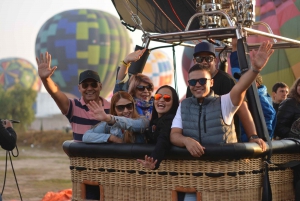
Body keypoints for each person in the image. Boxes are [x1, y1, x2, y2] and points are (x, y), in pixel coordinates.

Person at [170, 41, 273, 159]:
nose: (198, 85)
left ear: (211, 82)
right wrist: (186, 141)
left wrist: (255, 69)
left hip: (223, 162)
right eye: (193, 82)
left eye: (202, 81)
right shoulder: (184, 105)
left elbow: (240, 91)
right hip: (196, 167)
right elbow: (174, 135)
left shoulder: (223, 99)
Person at [186, 41, 257, 142]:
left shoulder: (226, 81)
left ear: (215, 60)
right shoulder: (191, 85)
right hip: (198, 146)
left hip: (225, 144)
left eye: (208, 58)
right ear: (194, 61)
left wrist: (253, 136)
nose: (204, 62)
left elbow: (243, 110)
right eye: (199, 59)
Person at [36, 52, 110, 141]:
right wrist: (46, 79)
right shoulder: (74, 106)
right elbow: (56, 93)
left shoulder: (111, 107)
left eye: (93, 84)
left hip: (104, 155)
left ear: (100, 87)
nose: (89, 88)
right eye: (85, 85)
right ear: (79, 88)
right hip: (80, 155)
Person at [137, 85, 179, 170]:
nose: (162, 100)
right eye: (158, 96)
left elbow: (163, 139)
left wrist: (154, 160)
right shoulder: (154, 121)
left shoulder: (170, 120)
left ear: (174, 103)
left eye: (167, 98)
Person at [82, 91, 149, 143]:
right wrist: (111, 138)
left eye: (129, 106)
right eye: (120, 107)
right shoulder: (109, 124)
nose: (126, 110)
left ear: (133, 106)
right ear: (114, 109)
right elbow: (86, 136)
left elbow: (132, 124)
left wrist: (111, 119)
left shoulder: (143, 120)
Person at [113, 49, 154, 120]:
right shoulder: (129, 108)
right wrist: (126, 61)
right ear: (133, 90)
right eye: (141, 87)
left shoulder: (156, 106)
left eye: (149, 87)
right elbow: (119, 84)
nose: (146, 90)